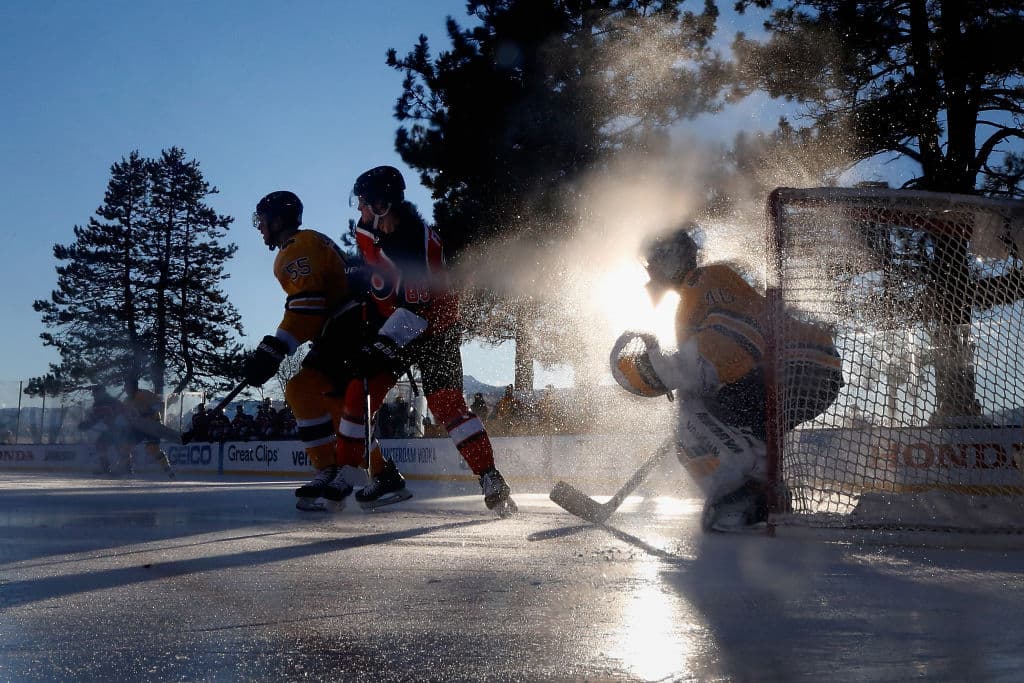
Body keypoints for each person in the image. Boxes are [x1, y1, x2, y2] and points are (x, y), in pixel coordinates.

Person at [610, 226, 843, 532]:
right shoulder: (698, 291)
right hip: (808, 368)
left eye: (653, 261)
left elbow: (734, 338)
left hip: (795, 365)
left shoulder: (704, 280)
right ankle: (767, 494)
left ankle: (745, 496)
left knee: (693, 412)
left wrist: (673, 371)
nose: (649, 270)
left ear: (670, 259)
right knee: (732, 418)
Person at [340, 165, 516, 515]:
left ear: (381, 205)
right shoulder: (366, 230)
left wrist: (381, 345)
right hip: (397, 320)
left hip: (435, 328)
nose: (358, 210)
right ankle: (360, 475)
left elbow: (417, 312)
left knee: (447, 405)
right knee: (358, 393)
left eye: (363, 202)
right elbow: (376, 283)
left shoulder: (416, 245)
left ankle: (490, 477)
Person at [244, 190, 411, 511]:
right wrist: (279, 344)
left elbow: (309, 307)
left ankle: (355, 470)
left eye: (263, 221)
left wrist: (277, 345)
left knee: (321, 396)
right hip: (344, 327)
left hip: (346, 328)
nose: (260, 228)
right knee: (313, 394)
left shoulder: (295, 250)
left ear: (278, 220)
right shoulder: (308, 241)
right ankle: (361, 470)